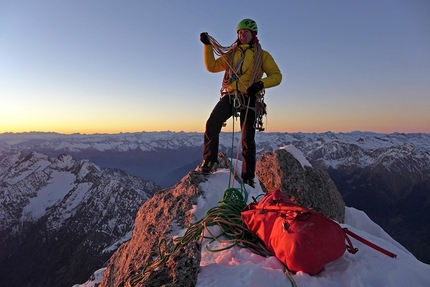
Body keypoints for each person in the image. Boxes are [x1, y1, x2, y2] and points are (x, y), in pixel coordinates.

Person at [197, 18, 282, 188]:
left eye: (245, 32)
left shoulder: (262, 55)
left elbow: (277, 76)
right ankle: (208, 160)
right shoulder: (232, 54)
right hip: (231, 94)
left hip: (250, 97)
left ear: (253, 35)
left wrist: (260, 84)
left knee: (247, 138)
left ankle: (248, 175)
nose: (242, 35)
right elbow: (212, 66)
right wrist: (207, 46)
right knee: (212, 123)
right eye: (240, 32)